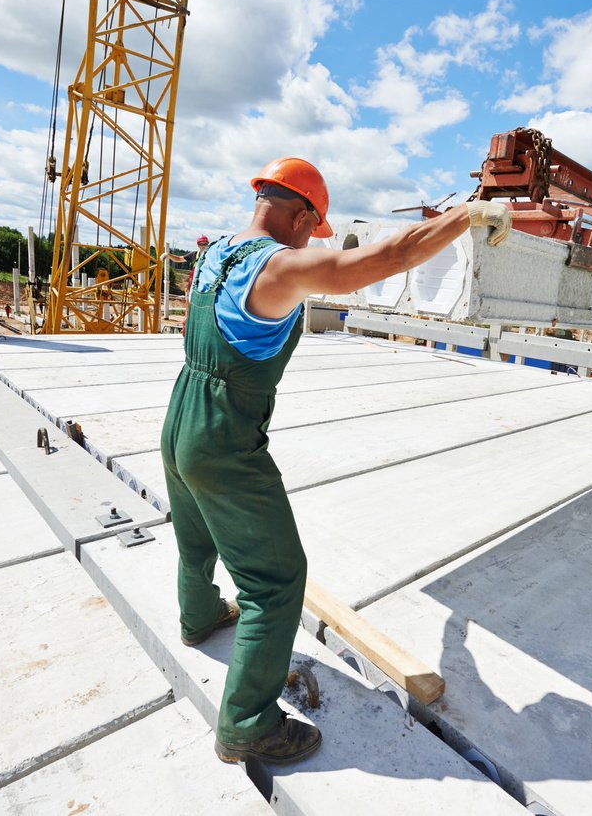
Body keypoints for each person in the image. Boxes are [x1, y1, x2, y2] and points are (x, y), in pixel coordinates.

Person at [159, 156, 512, 765]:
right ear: (301, 216)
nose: (310, 241)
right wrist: (466, 215)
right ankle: (246, 723)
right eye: (312, 229)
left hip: (179, 419)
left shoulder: (215, 254)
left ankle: (197, 617)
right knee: (274, 582)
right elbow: (384, 260)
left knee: (198, 535)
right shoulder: (279, 267)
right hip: (225, 440)